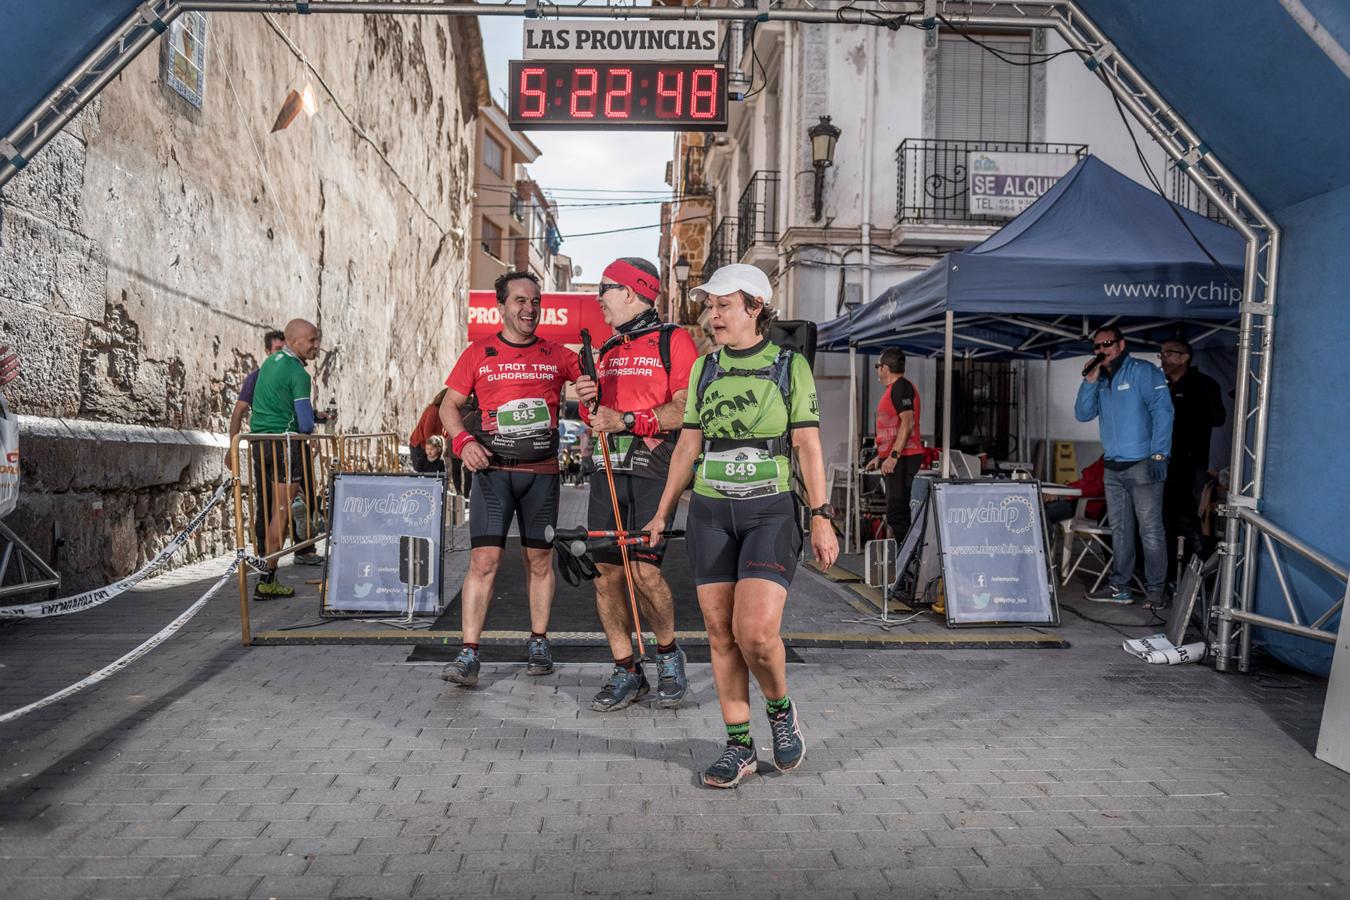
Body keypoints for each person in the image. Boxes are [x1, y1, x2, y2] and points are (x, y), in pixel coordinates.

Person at [642, 263, 839, 789]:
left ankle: (780, 709)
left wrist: (821, 516)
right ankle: (739, 746)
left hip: (769, 511)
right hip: (710, 512)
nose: (712, 315)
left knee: (754, 632)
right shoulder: (703, 368)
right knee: (719, 633)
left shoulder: (789, 365)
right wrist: (663, 512)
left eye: (723, 305)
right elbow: (687, 445)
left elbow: (808, 446)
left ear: (755, 307)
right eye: (709, 306)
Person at [438, 270, 582, 686]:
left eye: (535, 301)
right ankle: (468, 654)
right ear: (501, 306)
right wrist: (464, 442)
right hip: (494, 475)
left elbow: (593, 387)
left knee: (539, 560)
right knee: (484, 561)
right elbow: (449, 407)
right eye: (520, 300)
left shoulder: (558, 354)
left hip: (542, 476)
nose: (530, 308)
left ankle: (538, 640)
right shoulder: (478, 353)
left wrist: (592, 391)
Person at [573, 257, 699, 712]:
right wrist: (591, 403)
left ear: (629, 292)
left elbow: (687, 409)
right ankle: (627, 670)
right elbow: (598, 417)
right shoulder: (605, 349)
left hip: (653, 467)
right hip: (608, 468)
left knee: (645, 571)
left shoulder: (674, 339)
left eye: (605, 288)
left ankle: (668, 655)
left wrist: (627, 419)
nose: (599, 298)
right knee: (606, 574)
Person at [1074, 325, 1174, 607]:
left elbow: (1163, 411)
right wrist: (1089, 382)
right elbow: (1082, 414)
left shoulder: (1143, 371)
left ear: (1121, 344)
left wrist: (1159, 454)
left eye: (1107, 343)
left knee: (1150, 529)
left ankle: (1156, 590)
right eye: (1096, 346)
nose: (1101, 350)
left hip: (1143, 462)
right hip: (1113, 465)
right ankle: (1121, 586)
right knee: (1120, 529)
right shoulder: (1101, 379)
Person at [249, 318, 324, 599]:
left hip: (259, 442)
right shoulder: (299, 374)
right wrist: (313, 433)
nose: (317, 346)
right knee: (282, 514)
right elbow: (304, 423)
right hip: (284, 443)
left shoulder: (269, 363)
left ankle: (265, 572)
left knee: (272, 510)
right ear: (294, 341)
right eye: (312, 340)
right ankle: (267, 579)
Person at [1159, 338, 1225, 596]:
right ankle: (1169, 580)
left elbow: (1218, 418)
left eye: (1168, 354)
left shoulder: (1203, 384)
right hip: (1164, 464)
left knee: (1188, 521)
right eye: (1161, 353)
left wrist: (1187, 416)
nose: (1163, 358)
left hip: (1190, 465)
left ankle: (1201, 581)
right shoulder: (1162, 386)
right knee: (1166, 522)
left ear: (1185, 357)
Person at [227, 329, 287, 555]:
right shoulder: (256, 378)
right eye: (278, 350)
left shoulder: (289, 376)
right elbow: (239, 411)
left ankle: (303, 548)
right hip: (265, 446)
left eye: (285, 350)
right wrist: (232, 448)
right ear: (267, 351)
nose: (281, 356)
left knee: (296, 497)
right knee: (266, 498)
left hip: (289, 445)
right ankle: (264, 551)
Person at [863, 347, 924, 543]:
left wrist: (894, 456)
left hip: (904, 457)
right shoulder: (895, 389)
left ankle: (905, 563)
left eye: (877, 366)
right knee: (895, 511)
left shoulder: (901, 387)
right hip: (897, 456)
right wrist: (881, 456)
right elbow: (893, 428)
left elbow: (908, 423)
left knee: (897, 512)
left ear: (885, 368)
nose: (877, 371)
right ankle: (903, 561)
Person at [410, 389, 449, 473]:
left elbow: (444, 432)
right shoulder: (434, 410)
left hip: (430, 447)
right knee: (423, 475)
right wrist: (432, 449)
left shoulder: (443, 412)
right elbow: (427, 431)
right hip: (421, 446)